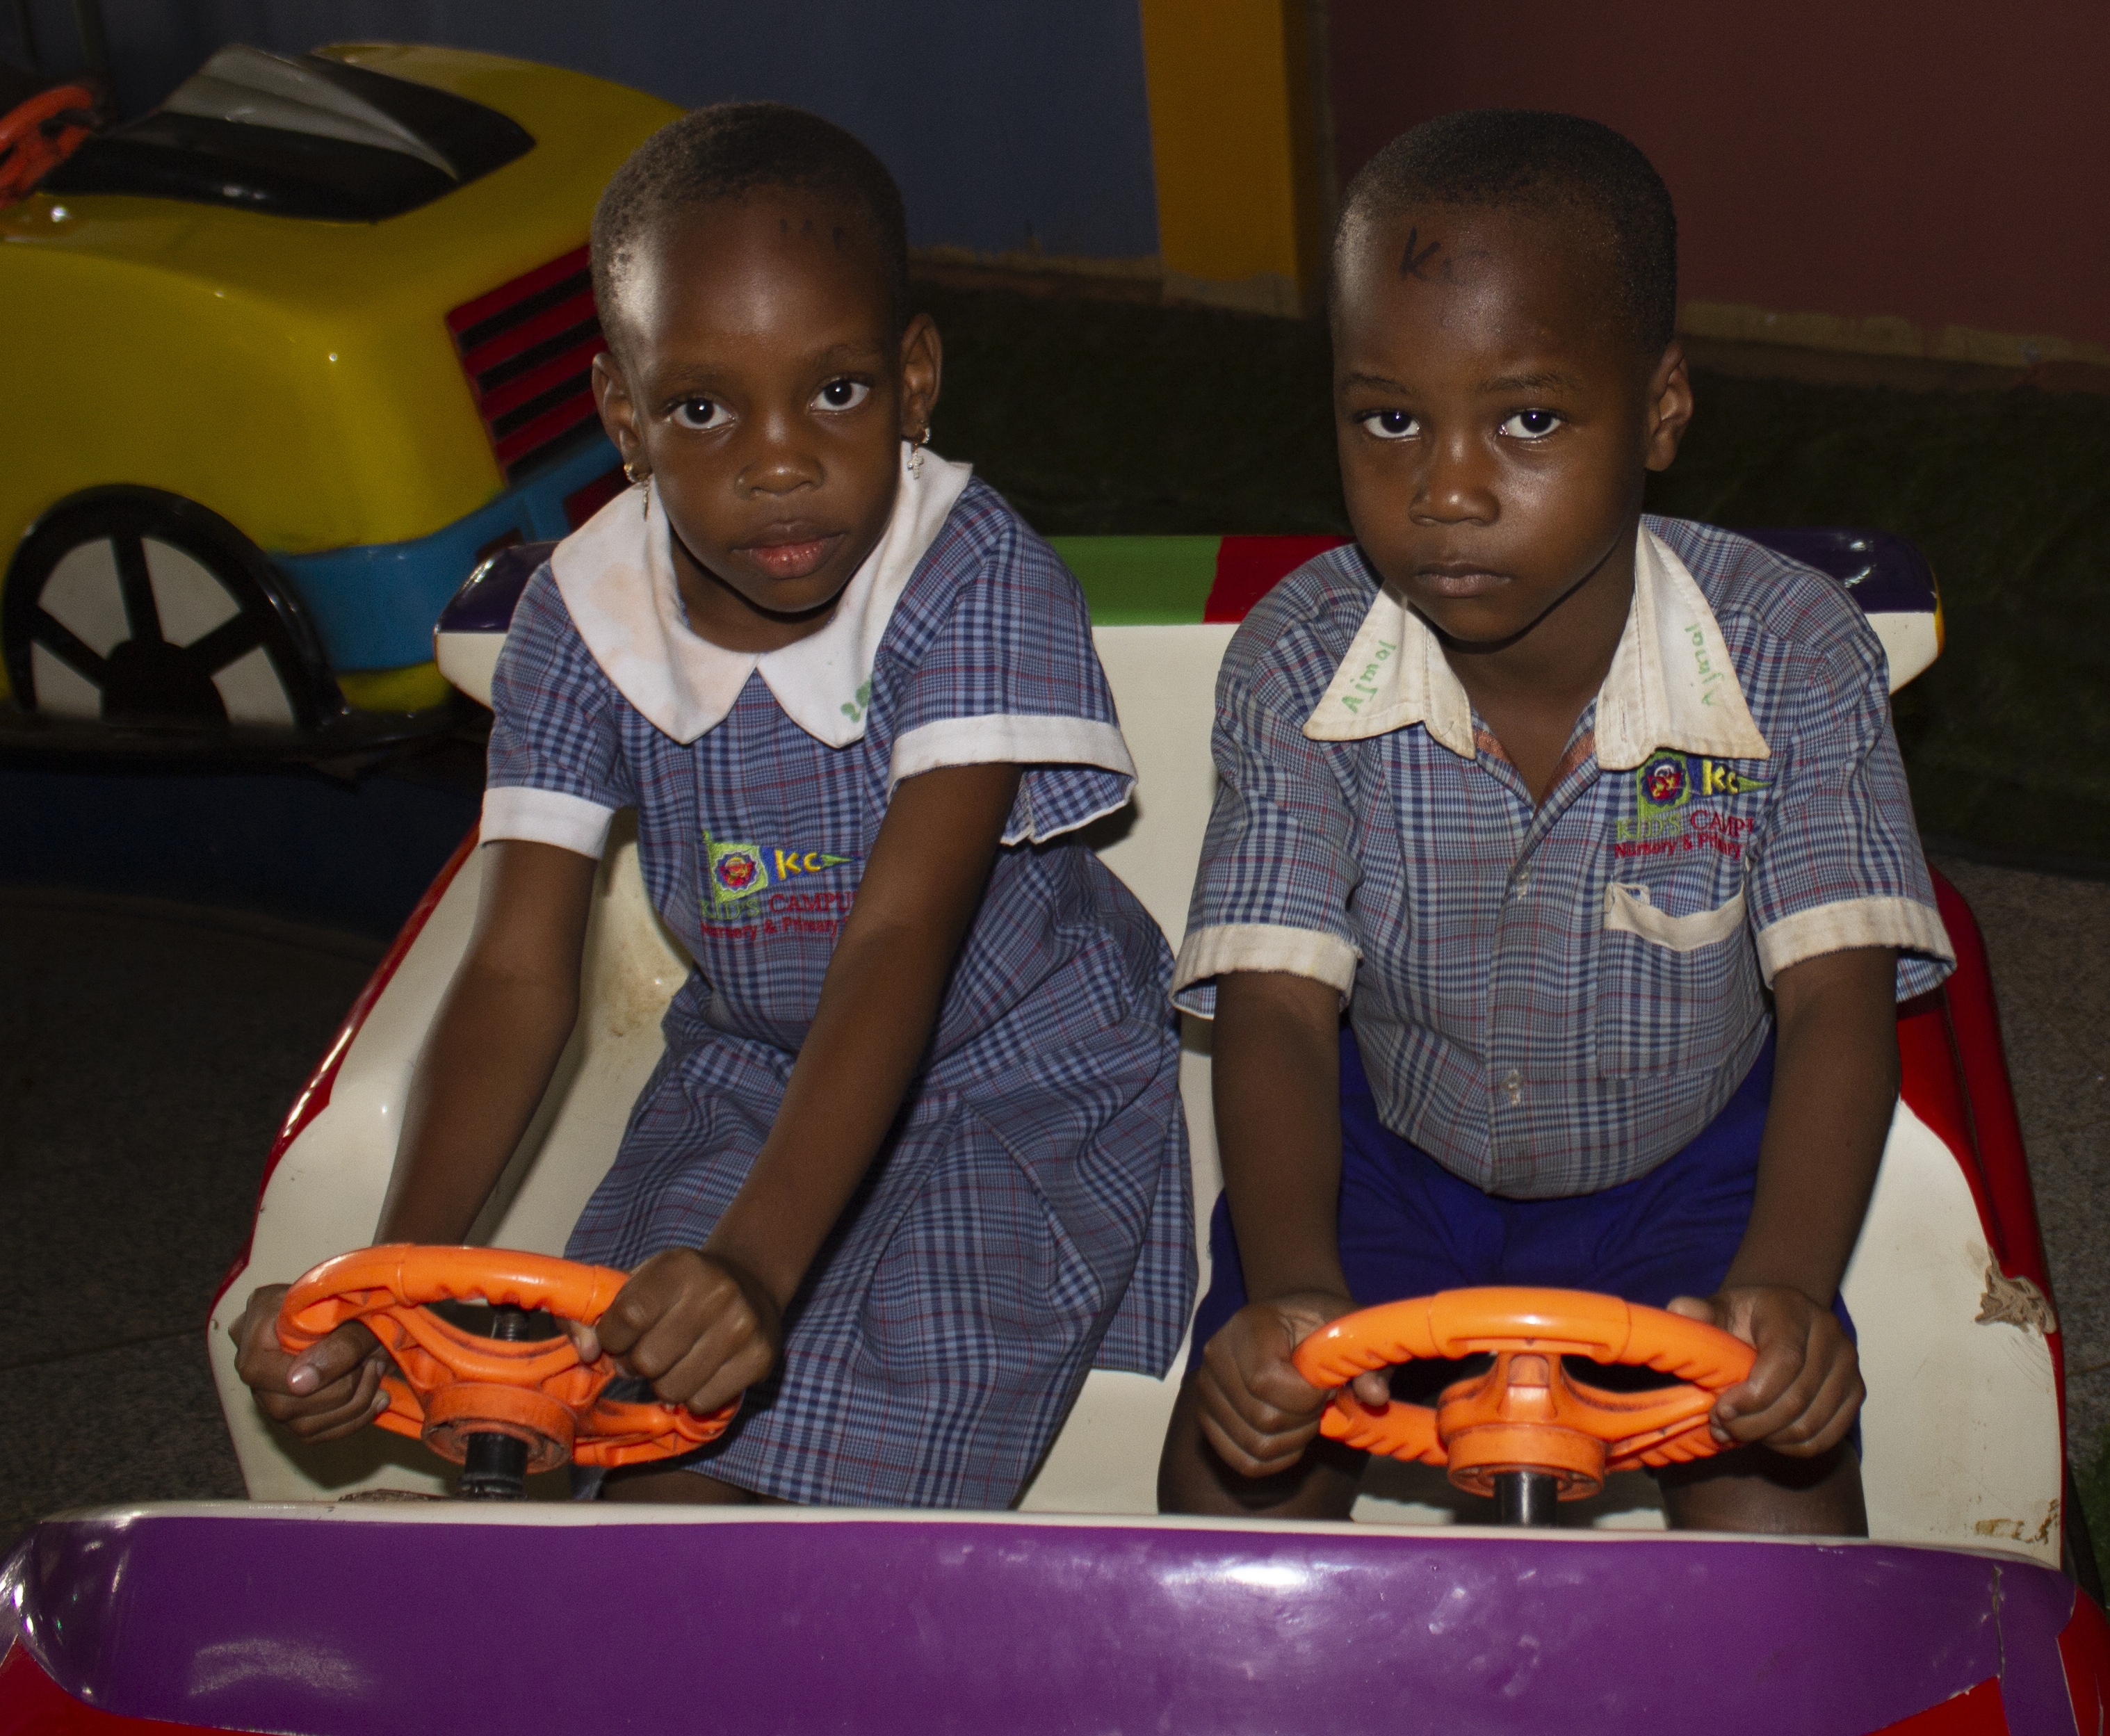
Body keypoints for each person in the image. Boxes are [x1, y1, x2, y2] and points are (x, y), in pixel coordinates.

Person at [232, 102, 1194, 1509]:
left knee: (850, 1450)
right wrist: (393, 1276)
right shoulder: (583, 620)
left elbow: (898, 943)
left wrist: (755, 1259)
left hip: (1017, 1080)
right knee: (617, 1412)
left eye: (836, 392)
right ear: (623, 416)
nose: (777, 459)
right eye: (701, 408)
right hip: (749, 1071)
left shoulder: (971, 579)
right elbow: (516, 971)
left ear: (914, 381)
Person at [1156, 110, 1953, 1533]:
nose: (1445, 490)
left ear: (1658, 410)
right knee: (1229, 1484)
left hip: (1691, 1174)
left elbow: (1836, 999)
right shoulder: (1295, 659)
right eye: (1387, 419)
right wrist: (1292, 1292)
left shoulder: (1792, 652)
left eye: (1526, 420)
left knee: (1788, 1528)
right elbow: (1273, 1010)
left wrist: (1782, 1280)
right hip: (1386, 1161)